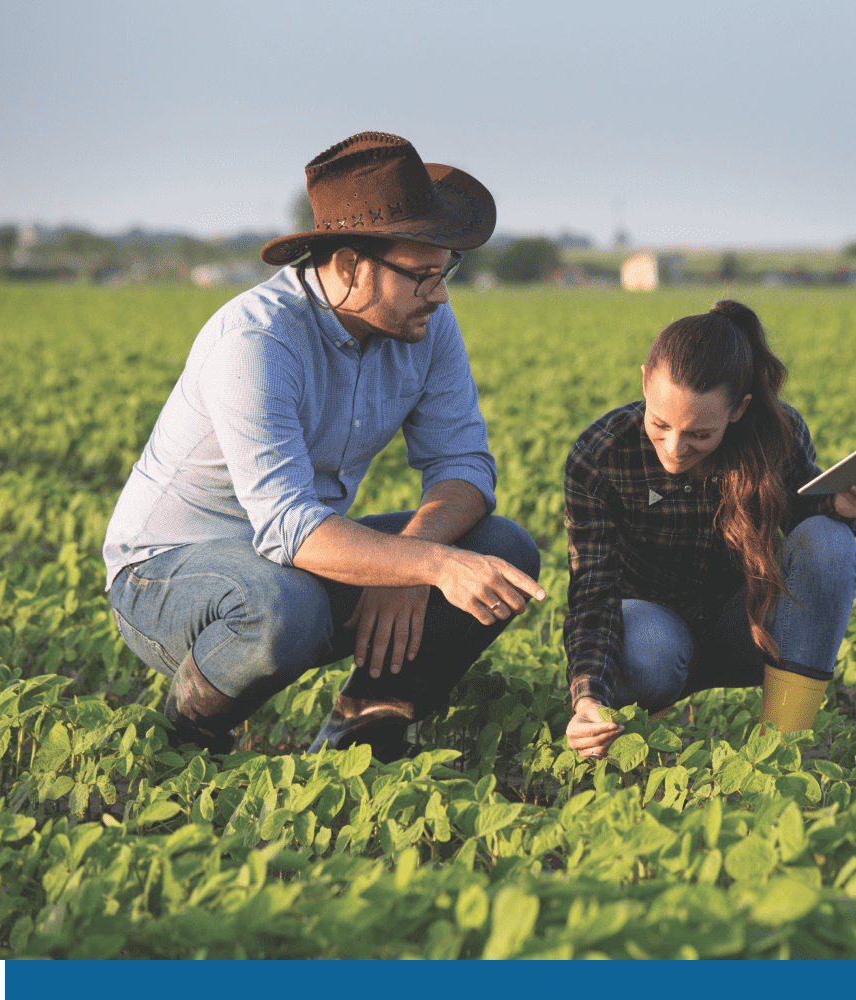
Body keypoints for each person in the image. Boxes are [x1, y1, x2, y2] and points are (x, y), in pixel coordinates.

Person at [102, 132, 545, 763]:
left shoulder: (427, 324)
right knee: (286, 605)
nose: (441, 293)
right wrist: (426, 567)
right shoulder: (256, 341)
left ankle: (362, 735)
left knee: (504, 548)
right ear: (347, 265)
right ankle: (186, 742)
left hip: (291, 557)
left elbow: (465, 467)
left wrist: (413, 558)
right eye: (421, 275)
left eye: (445, 271)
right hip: (165, 573)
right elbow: (289, 530)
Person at [562, 300, 856, 758]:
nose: (675, 448)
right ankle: (636, 745)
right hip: (654, 634)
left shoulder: (774, 433)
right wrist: (587, 698)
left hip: (743, 626)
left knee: (828, 539)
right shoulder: (601, 453)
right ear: (646, 381)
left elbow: (808, 540)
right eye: (660, 424)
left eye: (700, 434)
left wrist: (837, 506)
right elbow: (593, 590)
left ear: (739, 409)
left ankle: (780, 755)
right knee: (646, 647)